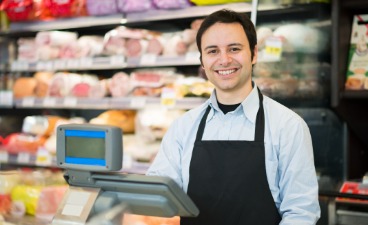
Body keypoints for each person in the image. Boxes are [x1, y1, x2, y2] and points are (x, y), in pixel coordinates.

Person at [146, 9, 320, 225]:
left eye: (234, 49)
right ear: (202, 61)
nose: (224, 60)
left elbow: (301, 213)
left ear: (254, 54)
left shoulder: (288, 126)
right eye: (212, 51)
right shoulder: (184, 126)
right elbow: (158, 194)